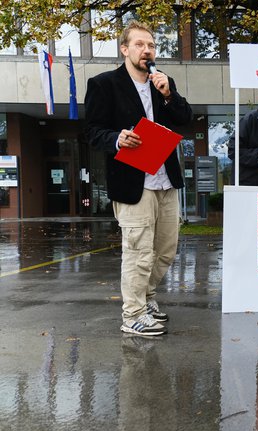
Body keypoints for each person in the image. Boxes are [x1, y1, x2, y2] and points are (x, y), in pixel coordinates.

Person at [85, 20, 193, 336]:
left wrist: (169, 94)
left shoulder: (163, 82)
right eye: (139, 44)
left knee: (165, 250)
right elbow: (92, 131)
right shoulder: (104, 84)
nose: (146, 50)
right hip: (134, 182)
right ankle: (132, 315)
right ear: (125, 49)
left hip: (165, 179)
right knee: (139, 252)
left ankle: (146, 301)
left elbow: (185, 119)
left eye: (151, 45)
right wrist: (116, 138)